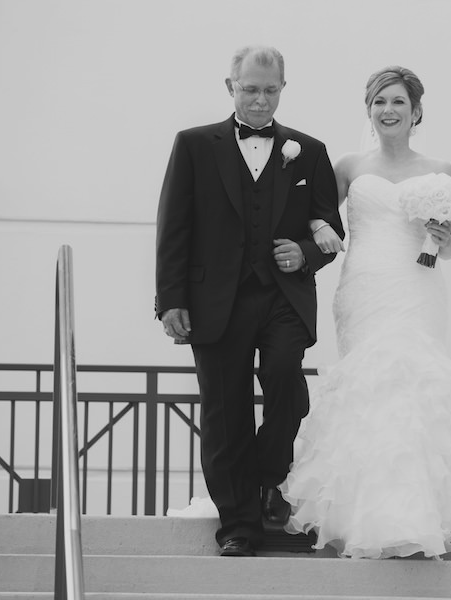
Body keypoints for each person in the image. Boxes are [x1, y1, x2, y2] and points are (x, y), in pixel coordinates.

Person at [280, 66, 451, 559]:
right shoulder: (348, 167)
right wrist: (318, 228)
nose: (388, 110)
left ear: (416, 111)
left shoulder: (439, 170)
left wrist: (447, 243)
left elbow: (447, 249)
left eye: (398, 102)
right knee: (369, 386)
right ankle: (366, 508)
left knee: (413, 379)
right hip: (363, 287)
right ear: (368, 109)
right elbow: (314, 212)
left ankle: (416, 511)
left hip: (417, 286)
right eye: (380, 101)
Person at [155, 45, 345, 558]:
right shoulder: (194, 145)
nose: (260, 100)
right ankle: (239, 524)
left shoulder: (309, 151)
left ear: (283, 88)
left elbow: (331, 226)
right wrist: (170, 298)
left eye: (270, 89)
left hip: (283, 297)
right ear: (230, 87)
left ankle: (268, 475)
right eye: (250, 89)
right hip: (215, 298)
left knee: (285, 376)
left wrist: (303, 252)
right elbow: (174, 225)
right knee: (224, 411)